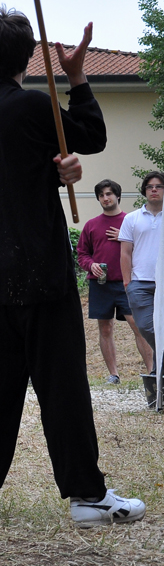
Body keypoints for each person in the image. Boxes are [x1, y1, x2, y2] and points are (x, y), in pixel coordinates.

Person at [0, 7, 144, 527]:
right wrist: (76, 76)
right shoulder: (34, 104)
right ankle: (87, 496)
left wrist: (57, 168)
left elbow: (24, 168)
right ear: (26, 57)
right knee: (62, 384)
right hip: (39, 265)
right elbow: (93, 134)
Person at [77, 179, 153, 385]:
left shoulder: (131, 221)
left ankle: (152, 372)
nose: (105, 198)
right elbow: (82, 254)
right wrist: (91, 264)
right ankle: (114, 375)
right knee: (105, 328)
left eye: (109, 194)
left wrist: (125, 237)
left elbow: (147, 248)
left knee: (139, 326)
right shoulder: (91, 225)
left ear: (118, 196)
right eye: (101, 195)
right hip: (100, 284)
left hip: (127, 283)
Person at [119, 171, 164, 406]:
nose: (154, 189)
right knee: (148, 327)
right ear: (144, 191)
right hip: (140, 284)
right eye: (149, 186)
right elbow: (125, 252)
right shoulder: (132, 218)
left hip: (163, 283)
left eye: (158, 186)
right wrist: (127, 282)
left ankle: (157, 383)